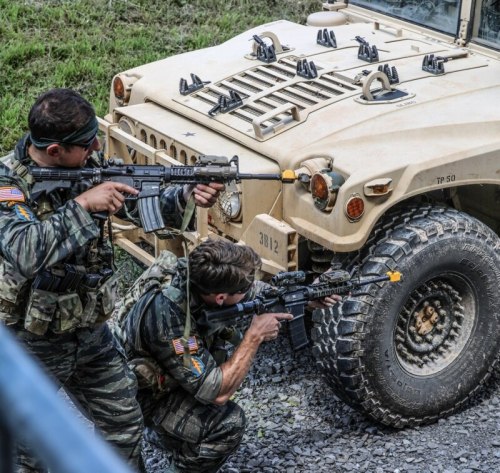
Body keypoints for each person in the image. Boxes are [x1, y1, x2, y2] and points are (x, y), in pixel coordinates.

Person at [0, 87, 223, 472]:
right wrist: (84, 206)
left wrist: (185, 195)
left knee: (122, 424)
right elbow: (23, 250)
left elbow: (137, 202)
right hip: (31, 340)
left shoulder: (87, 162)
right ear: (55, 150)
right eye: (88, 144)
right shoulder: (9, 185)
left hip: (90, 330)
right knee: (28, 451)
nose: (97, 147)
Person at [119, 239, 337, 473]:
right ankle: (165, 443)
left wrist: (303, 297)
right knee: (227, 424)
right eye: (241, 291)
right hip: (140, 400)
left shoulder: (198, 274)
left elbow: (254, 292)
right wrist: (253, 337)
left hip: (168, 373)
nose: (248, 291)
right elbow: (216, 392)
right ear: (220, 298)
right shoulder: (172, 324)